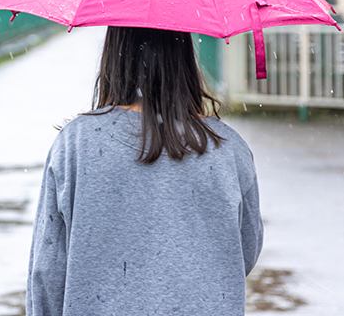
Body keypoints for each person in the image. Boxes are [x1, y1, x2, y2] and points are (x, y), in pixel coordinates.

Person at [26, 26, 263, 316]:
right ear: (185, 56)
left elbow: (47, 269)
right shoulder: (228, 148)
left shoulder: (75, 144)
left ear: (114, 56)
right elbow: (242, 253)